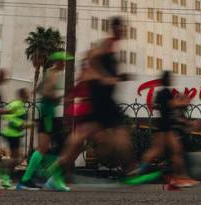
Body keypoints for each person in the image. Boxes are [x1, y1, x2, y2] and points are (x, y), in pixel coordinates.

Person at [45, 17, 147, 191]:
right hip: (100, 101)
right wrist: (103, 77)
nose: (124, 30)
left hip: (105, 102)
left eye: (125, 28)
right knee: (94, 138)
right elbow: (90, 58)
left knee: (101, 137)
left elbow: (101, 70)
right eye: (121, 27)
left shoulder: (112, 47)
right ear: (114, 28)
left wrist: (120, 77)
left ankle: (130, 171)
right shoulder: (105, 45)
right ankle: (130, 171)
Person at [17, 51, 69, 190]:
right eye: (63, 61)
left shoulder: (50, 74)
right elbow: (46, 92)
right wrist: (60, 98)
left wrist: (36, 92)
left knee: (51, 148)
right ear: (58, 62)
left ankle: (52, 180)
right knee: (44, 148)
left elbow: (40, 88)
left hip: (48, 112)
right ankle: (27, 179)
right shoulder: (52, 75)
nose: (65, 64)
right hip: (47, 113)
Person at [138, 71, 198, 188]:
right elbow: (170, 105)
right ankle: (182, 177)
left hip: (163, 127)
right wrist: (182, 102)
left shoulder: (161, 93)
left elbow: (160, 106)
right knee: (175, 151)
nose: (172, 80)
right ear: (167, 80)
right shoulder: (166, 92)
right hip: (167, 128)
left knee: (159, 151)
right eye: (171, 78)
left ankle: (139, 171)